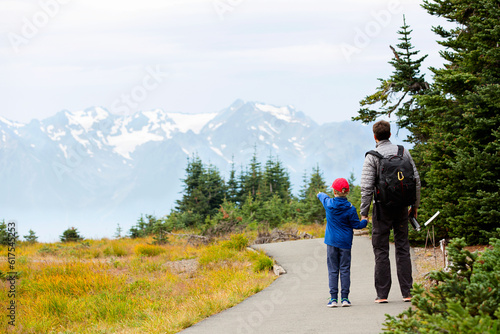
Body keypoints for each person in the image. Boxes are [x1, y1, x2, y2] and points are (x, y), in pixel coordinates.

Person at [360, 120, 421, 303]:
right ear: (390, 134)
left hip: (382, 208)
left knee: (381, 250)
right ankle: (408, 292)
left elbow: (366, 188)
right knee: (402, 248)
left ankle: (382, 295)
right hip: (402, 208)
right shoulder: (403, 152)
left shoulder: (373, 156)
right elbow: (416, 181)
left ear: (375, 136)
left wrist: (364, 213)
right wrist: (414, 207)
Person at [317, 178, 368, 308]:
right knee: (345, 269)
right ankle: (345, 298)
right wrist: (365, 221)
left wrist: (319, 193)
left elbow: (322, 196)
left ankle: (333, 299)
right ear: (348, 192)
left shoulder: (328, 204)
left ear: (334, 191)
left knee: (333, 270)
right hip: (345, 243)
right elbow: (357, 225)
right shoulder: (351, 208)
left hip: (331, 242)